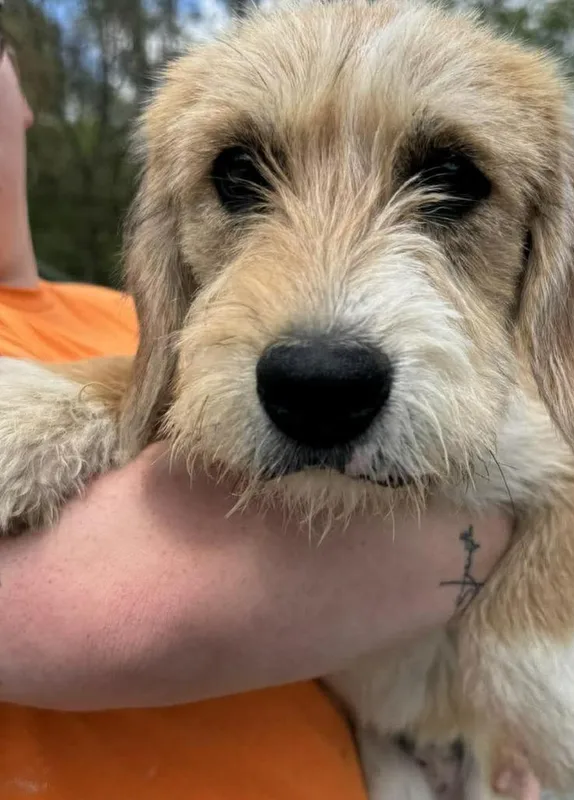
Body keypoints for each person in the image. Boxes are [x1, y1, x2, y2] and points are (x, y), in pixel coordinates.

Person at [0, 15, 540, 800]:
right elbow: (124, 622)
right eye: (238, 179)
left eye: (451, 183)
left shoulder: (130, 313)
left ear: (21, 90)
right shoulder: (168, 337)